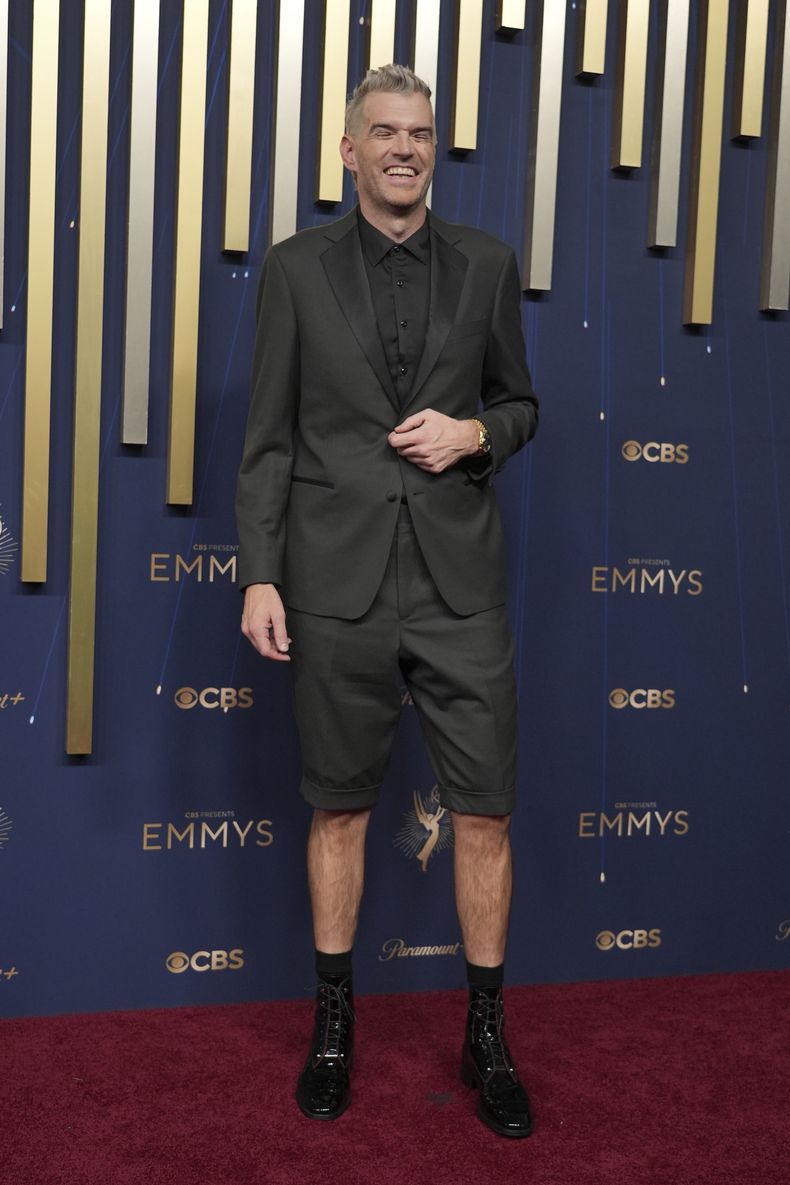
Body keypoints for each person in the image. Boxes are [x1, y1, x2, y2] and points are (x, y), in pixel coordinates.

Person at [236, 64, 539, 1138]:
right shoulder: (296, 269)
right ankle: (333, 1024)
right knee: (340, 807)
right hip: (335, 584)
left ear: (432, 148)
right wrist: (261, 572)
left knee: (487, 814)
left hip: (458, 586)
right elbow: (267, 436)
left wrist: (476, 436)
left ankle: (486, 1032)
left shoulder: (489, 265)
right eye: (385, 131)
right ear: (348, 150)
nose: (405, 147)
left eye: (420, 132)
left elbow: (520, 402)